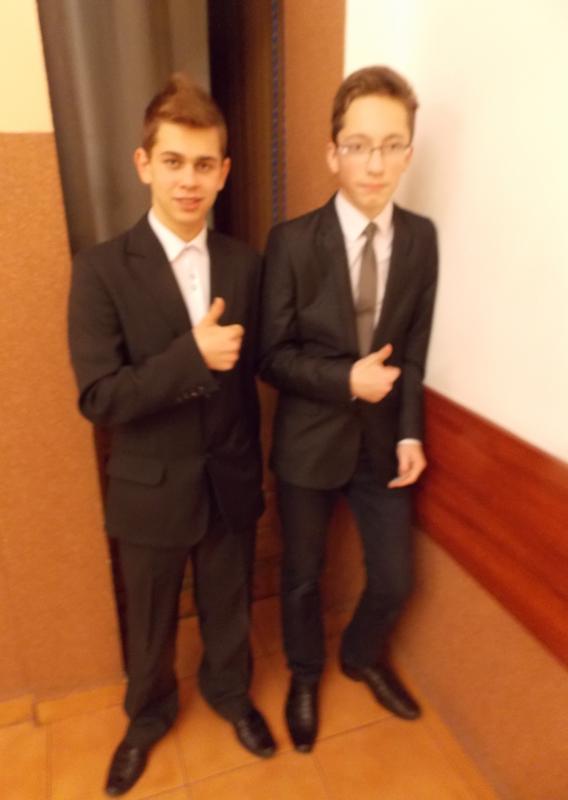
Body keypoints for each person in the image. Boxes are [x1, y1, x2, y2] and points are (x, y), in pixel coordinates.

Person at [68, 74, 275, 797]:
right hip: (149, 488)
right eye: (174, 161)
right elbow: (100, 397)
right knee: (151, 620)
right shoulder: (100, 270)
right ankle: (147, 717)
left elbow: (261, 366)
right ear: (144, 164)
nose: (189, 180)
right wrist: (191, 356)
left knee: (229, 606)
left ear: (224, 172)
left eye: (204, 164)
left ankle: (230, 693)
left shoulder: (246, 264)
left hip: (229, 478)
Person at [259, 65, 438, 753]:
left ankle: (361, 656)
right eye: (359, 146)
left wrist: (411, 433)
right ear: (333, 153)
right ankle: (305, 676)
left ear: (408, 153)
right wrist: (345, 380)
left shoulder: (421, 239)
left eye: (391, 146)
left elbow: (414, 350)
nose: (375, 164)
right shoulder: (291, 242)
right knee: (301, 578)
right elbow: (271, 357)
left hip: (383, 443)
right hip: (307, 443)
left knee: (395, 578)